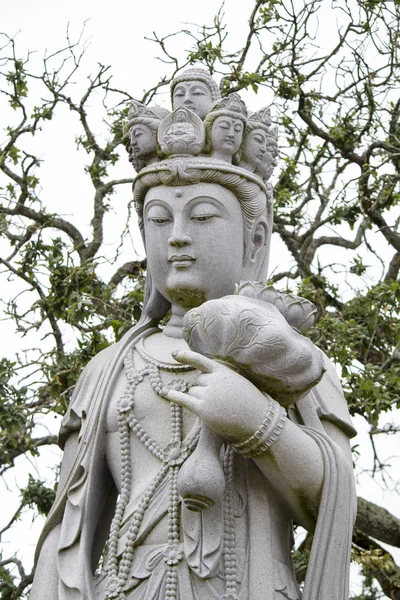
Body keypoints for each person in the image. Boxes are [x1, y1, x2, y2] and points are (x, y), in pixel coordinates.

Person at [31, 77, 357, 600]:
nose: (177, 235)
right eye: (158, 220)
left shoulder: (292, 354)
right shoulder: (108, 368)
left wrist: (260, 423)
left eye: (203, 215)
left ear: (253, 236)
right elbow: (67, 532)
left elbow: (336, 497)